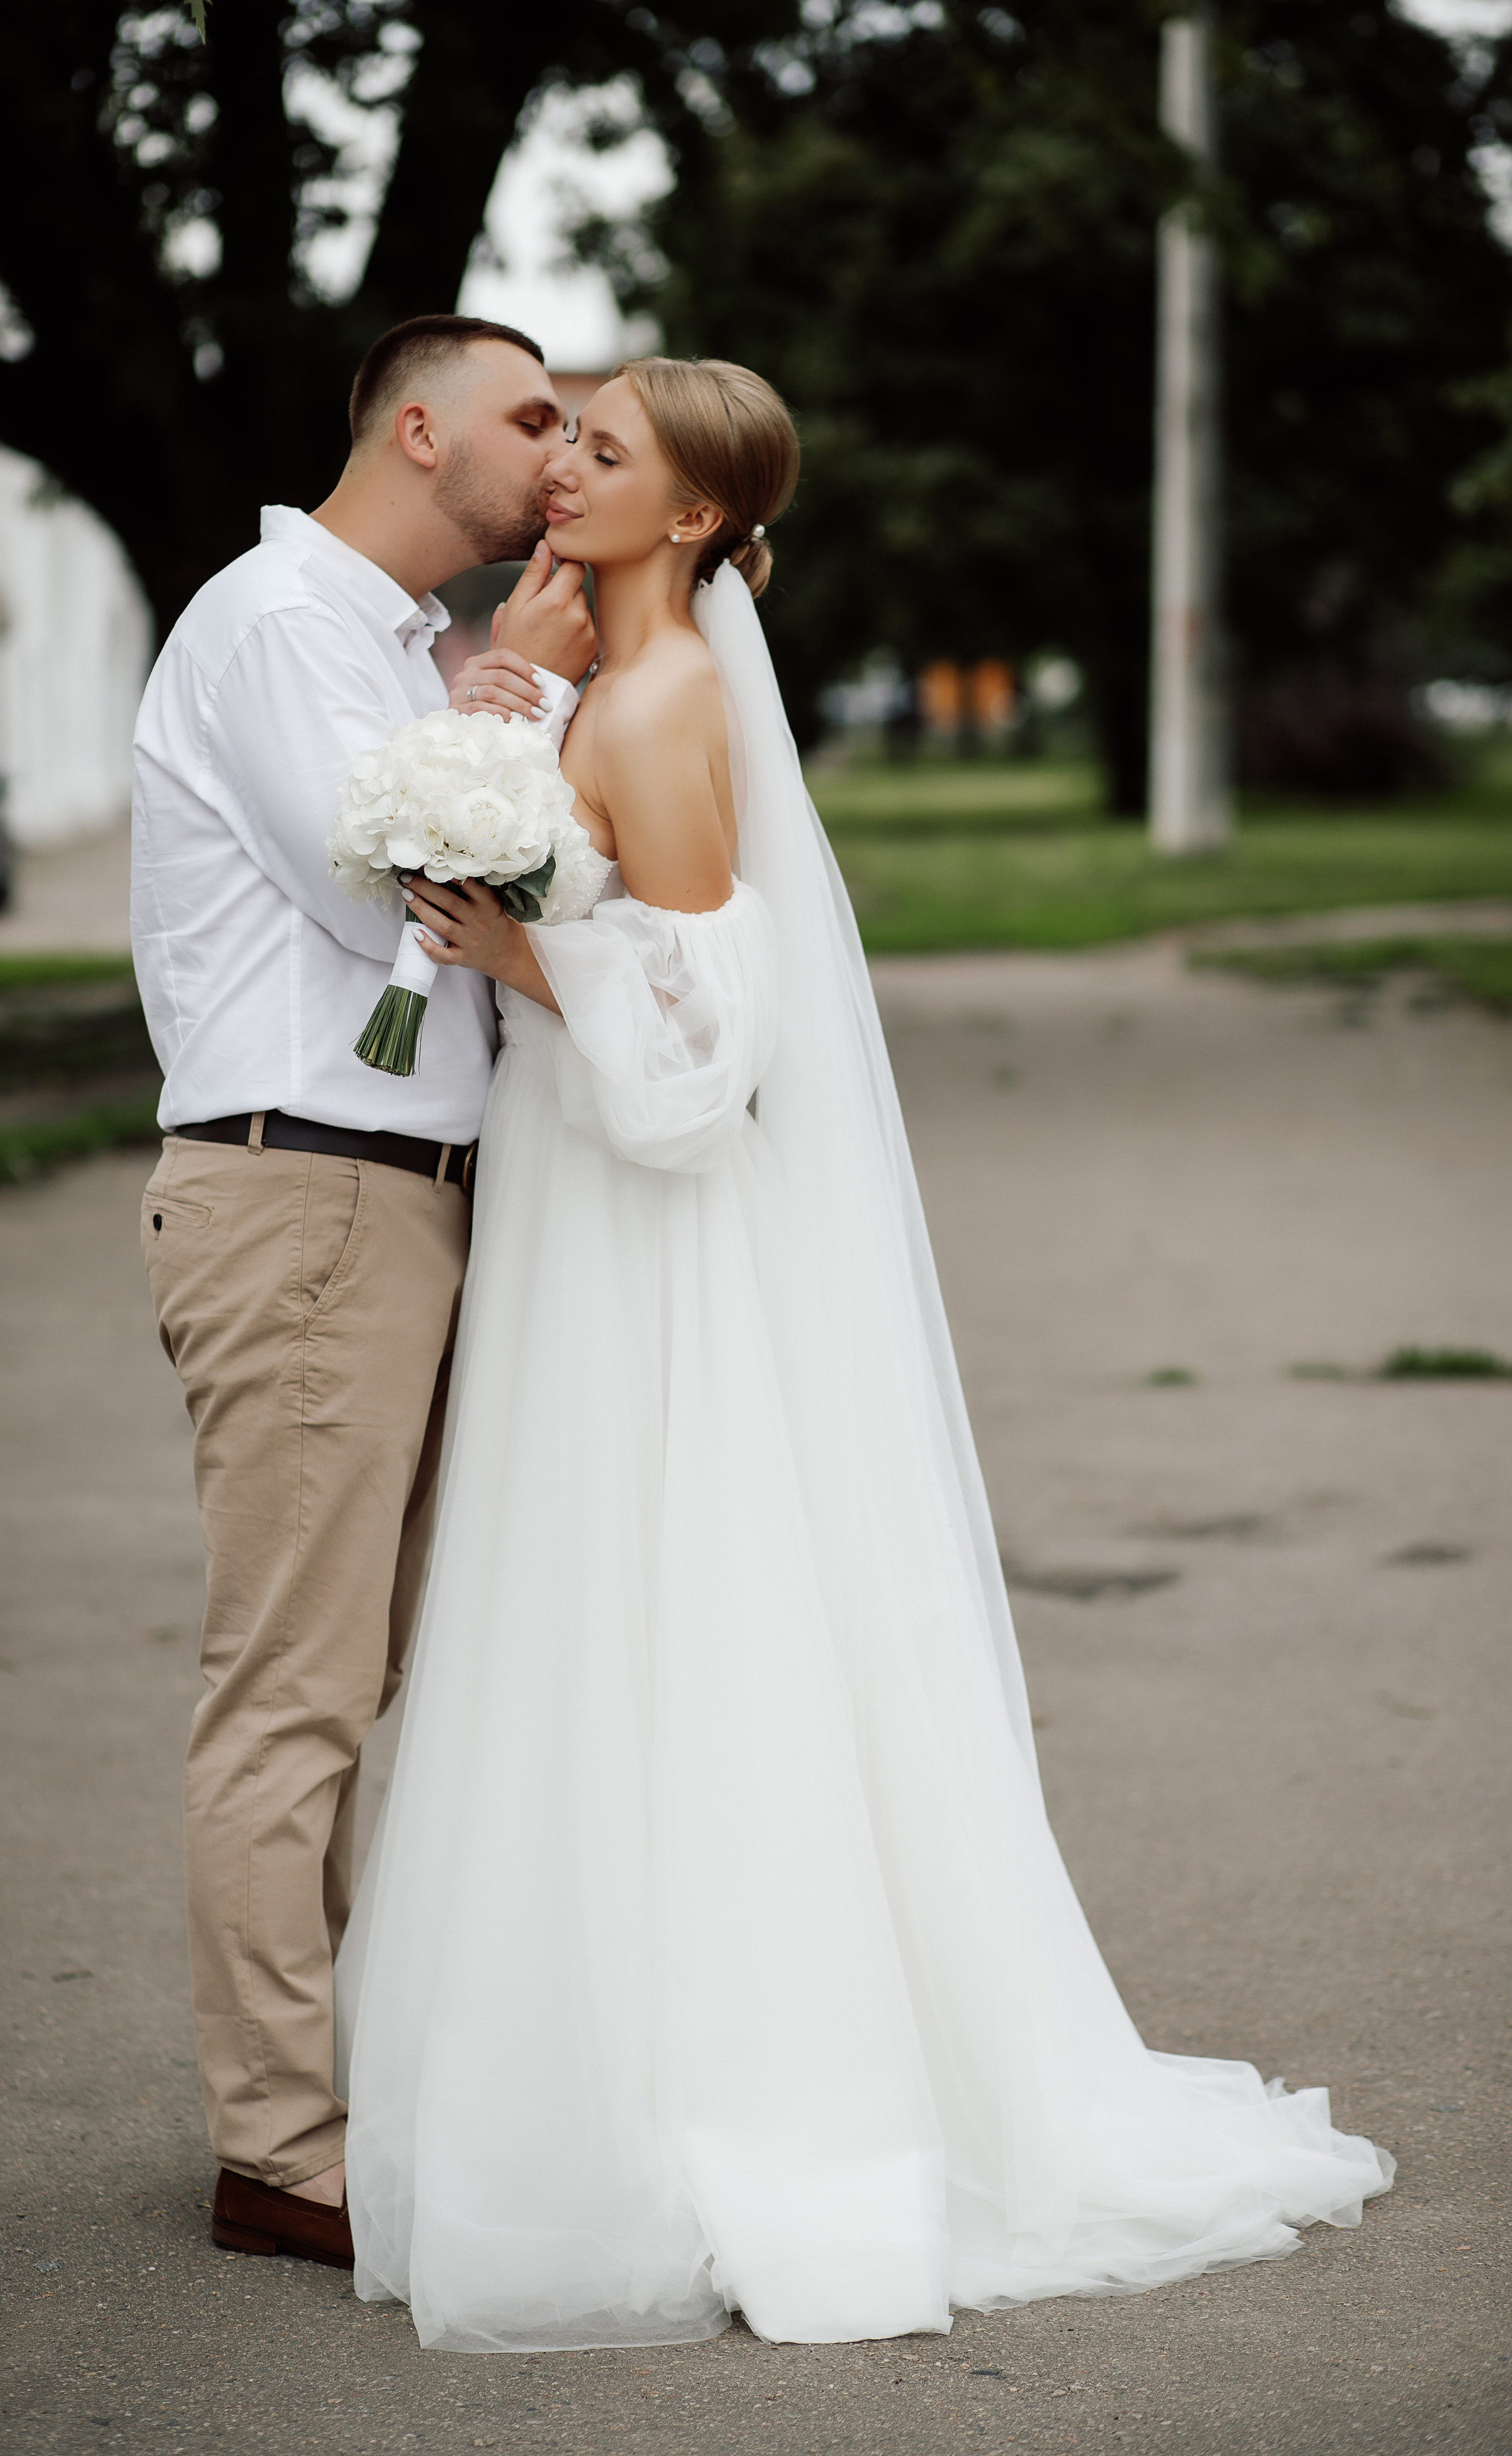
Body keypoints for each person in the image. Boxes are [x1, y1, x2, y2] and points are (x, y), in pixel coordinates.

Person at [333, 356, 1394, 2350]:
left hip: (650, 1226)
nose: (565, 470)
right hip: (588, 1206)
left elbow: (711, 1063)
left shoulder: (664, 701)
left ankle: (718, 2102)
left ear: (706, 520)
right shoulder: (597, 674)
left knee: (679, 1616)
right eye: (563, 439)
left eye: (610, 453)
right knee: (616, 1620)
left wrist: (523, 953)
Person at [132, 315, 596, 2271]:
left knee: (361, 1675)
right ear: (419, 429)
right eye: (530, 418)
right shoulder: (275, 621)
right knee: (295, 1693)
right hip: (306, 1191)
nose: (560, 453)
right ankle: (284, 2151)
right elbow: (387, 878)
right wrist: (541, 696)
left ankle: (323, 2102)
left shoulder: (398, 646)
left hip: (397, 1198)